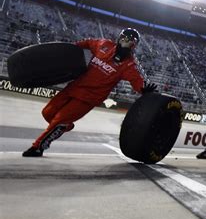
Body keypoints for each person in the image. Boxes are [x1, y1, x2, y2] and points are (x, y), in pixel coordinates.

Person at [22, 28, 157, 157]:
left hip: (88, 98)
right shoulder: (104, 44)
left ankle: (38, 147)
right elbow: (86, 43)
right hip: (74, 86)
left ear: (134, 45)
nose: (125, 42)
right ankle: (64, 126)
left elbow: (137, 82)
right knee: (47, 113)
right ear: (119, 37)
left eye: (129, 40)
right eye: (123, 38)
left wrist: (143, 90)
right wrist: (70, 48)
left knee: (59, 120)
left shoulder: (129, 65)